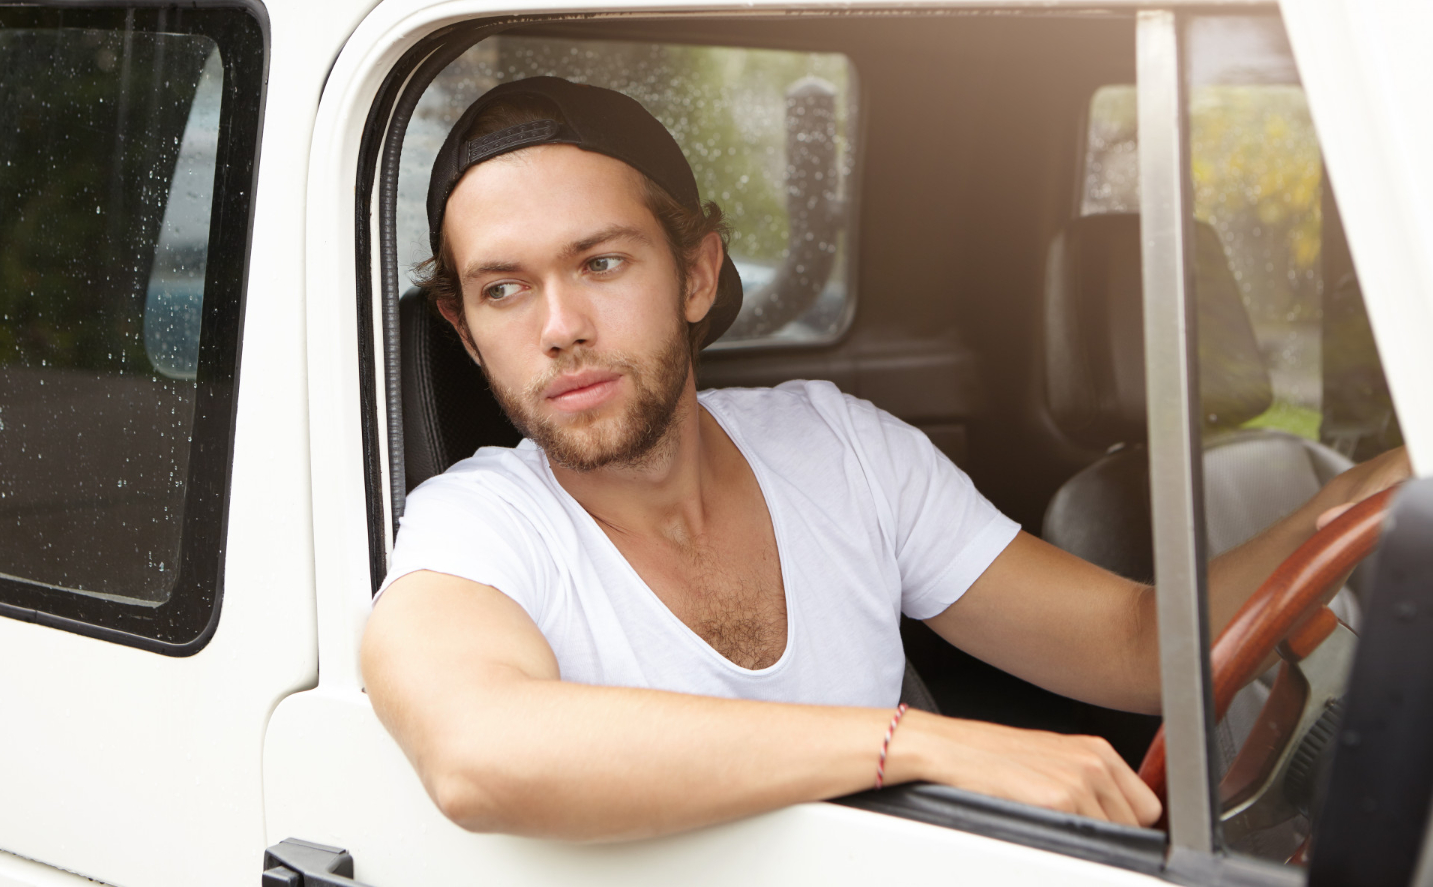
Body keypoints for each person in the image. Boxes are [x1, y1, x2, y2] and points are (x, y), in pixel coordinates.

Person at [361, 77, 1409, 842]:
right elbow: (476, 752)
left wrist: (1357, 500)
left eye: (600, 262)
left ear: (695, 271)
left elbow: (1136, 647)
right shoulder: (476, 524)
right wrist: (918, 743)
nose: (558, 325)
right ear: (463, 326)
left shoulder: (837, 447)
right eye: (504, 288)